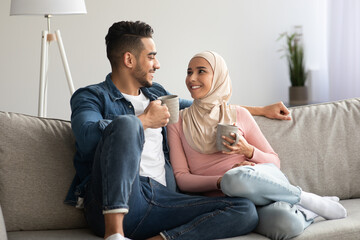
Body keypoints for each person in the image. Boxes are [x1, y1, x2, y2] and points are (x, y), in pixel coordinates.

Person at [64, 21, 293, 240]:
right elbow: (86, 137)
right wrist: (143, 120)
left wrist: (261, 109)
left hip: (163, 200)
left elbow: (203, 106)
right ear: (129, 59)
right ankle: (114, 234)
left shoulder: (158, 95)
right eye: (151, 57)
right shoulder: (91, 96)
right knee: (126, 124)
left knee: (245, 211)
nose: (157, 64)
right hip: (114, 202)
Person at [167, 51, 347, 240]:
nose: (191, 78)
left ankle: (304, 199)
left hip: (259, 185)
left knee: (240, 180)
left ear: (218, 77)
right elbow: (182, 178)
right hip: (234, 205)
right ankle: (308, 207)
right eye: (189, 72)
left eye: (201, 71)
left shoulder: (239, 114)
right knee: (287, 224)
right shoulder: (178, 122)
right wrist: (221, 181)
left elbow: (274, 163)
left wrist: (248, 151)